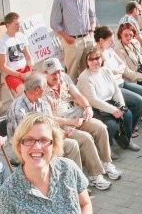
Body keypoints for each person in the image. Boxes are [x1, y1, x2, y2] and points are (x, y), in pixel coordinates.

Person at [43, 56, 122, 188]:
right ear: (45, 73)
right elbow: (49, 119)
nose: (57, 75)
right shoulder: (42, 88)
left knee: (101, 127)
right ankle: (95, 175)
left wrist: (87, 107)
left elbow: (78, 95)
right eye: (53, 73)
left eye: (58, 71)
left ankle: (106, 163)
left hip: (75, 115)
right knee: (86, 138)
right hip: (60, 124)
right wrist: (71, 122)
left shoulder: (64, 77)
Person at [6, 73, 83, 168]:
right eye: (45, 86)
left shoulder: (39, 100)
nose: (47, 88)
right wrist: (53, 145)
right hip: (25, 148)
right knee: (55, 154)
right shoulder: (19, 110)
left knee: (72, 145)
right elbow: (25, 140)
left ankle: (75, 180)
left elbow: (49, 123)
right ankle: (55, 179)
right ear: (37, 90)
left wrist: (60, 134)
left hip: (41, 140)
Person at [77, 48, 140, 152]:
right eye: (91, 59)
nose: (95, 62)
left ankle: (127, 141)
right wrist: (114, 111)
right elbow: (93, 100)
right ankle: (107, 149)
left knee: (128, 115)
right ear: (87, 62)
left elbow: (116, 90)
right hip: (96, 108)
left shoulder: (105, 70)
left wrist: (121, 107)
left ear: (101, 59)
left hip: (111, 102)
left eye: (97, 58)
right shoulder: (84, 77)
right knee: (111, 125)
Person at [94, 26, 142, 125]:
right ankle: (128, 127)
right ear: (101, 40)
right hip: (114, 88)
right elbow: (108, 76)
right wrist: (117, 71)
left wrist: (116, 71)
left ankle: (132, 123)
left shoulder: (109, 50)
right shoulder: (97, 56)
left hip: (121, 82)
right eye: (110, 41)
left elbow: (122, 66)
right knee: (139, 101)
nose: (112, 43)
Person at [50, 0, 96, 82]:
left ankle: (87, 97)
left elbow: (91, 14)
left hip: (87, 39)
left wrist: (92, 30)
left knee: (89, 72)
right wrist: (67, 38)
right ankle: (72, 99)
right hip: (72, 42)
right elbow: (54, 23)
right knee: (72, 74)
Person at [0, 12, 33, 96]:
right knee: (24, 91)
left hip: (26, 70)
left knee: (41, 82)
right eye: (16, 24)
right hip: (12, 74)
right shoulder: (2, 42)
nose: (19, 26)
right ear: (8, 25)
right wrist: (20, 75)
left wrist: (31, 67)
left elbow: (28, 56)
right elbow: (3, 66)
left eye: (19, 24)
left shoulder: (21, 36)